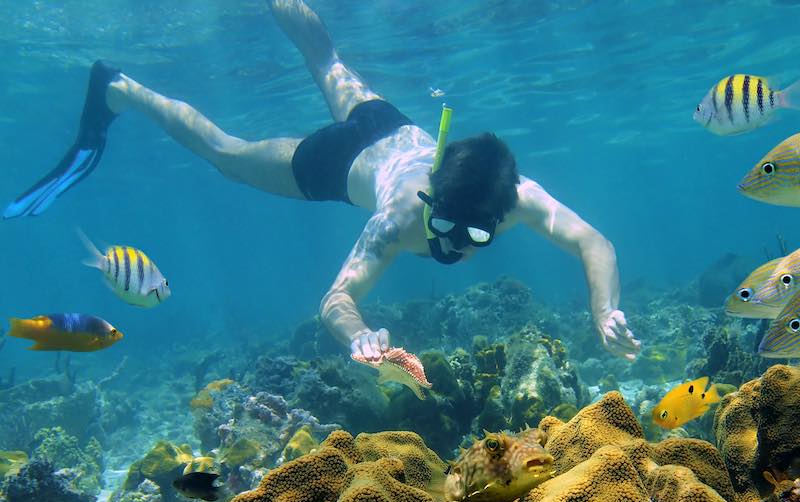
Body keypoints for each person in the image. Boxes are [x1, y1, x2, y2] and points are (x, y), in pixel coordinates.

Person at [4, 0, 640, 363]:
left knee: (327, 58)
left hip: (387, 123)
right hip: (337, 163)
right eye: (443, 223)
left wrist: (604, 309)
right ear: (431, 195)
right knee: (226, 154)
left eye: (475, 233)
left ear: (503, 213)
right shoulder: (397, 217)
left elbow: (595, 243)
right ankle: (119, 89)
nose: (455, 244)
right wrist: (357, 334)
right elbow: (336, 298)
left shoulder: (518, 197)